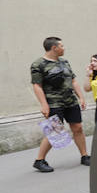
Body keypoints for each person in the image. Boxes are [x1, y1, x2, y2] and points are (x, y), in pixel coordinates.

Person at [31, 36, 90, 172]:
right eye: (62, 46)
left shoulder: (64, 62)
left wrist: (81, 97)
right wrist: (44, 104)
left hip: (70, 101)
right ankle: (39, 160)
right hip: (53, 103)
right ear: (54, 48)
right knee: (54, 131)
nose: (64, 48)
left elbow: (73, 80)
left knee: (78, 128)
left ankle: (84, 156)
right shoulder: (38, 64)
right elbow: (37, 86)